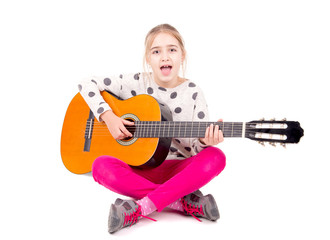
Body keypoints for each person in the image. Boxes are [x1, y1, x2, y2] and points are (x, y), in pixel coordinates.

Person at [78, 23, 226, 234]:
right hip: (140, 170)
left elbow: (195, 150)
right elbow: (86, 83)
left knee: (216, 156)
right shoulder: (137, 82)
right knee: (100, 166)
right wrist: (108, 117)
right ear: (148, 59)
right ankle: (181, 203)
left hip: (179, 173)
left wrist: (204, 142)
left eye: (172, 50)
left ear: (182, 56)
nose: (164, 57)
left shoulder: (193, 92)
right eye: (156, 52)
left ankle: (140, 208)